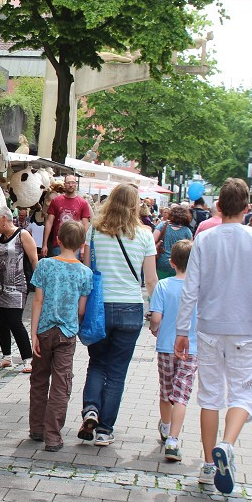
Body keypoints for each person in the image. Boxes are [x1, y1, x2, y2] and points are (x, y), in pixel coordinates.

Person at [176, 178, 252, 494]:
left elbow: (191, 288)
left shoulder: (204, 239)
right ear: (247, 208)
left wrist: (181, 330)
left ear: (219, 206)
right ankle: (227, 446)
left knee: (209, 396)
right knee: (244, 393)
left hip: (209, 327)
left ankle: (207, 465)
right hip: (245, 327)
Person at [79, 183, 157, 446]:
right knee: (117, 371)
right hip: (130, 308)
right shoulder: (145, 235)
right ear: (135, 204)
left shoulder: (94, 232)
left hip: (99, 306)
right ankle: (104, 430)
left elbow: (87, 271)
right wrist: (156, 311)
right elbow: (151, 280)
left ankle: (90, 408)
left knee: (97, 363)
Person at [28, 221, 92, 451]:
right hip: (67, 333)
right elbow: (81, 309)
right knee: (61, 384)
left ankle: (36, 428)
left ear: (58, 240)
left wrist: (33, 333)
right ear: (81, 245)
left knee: (39, 379)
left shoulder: (44, 265)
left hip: (44, 330)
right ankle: (52, 435)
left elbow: (37, 300)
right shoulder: (85, 273)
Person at [148, 239, 198, 462]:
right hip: (192, 348)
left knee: (166, 390)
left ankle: (165, 427)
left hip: (166, 346)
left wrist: (153, 327)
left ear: (171, 262)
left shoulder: (163, 285)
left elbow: (156, 317)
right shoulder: (199, 287)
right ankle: (173, 441)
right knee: (181, 395)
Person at [0, 205, 39, 372]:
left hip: (16, 286)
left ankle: (28, 359)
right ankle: (6, 357)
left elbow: (34, 259)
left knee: (15, 322)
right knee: (1, 322)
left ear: (3, 219)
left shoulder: (22, 234)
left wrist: (38, 285)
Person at [41, 174, 91, 258]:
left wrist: (82, 245)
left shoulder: (83, 203)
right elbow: (49, 222)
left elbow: (85, 226)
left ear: (76, 184)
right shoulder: (55, 201)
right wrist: (44, 244)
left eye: (73, 182)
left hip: (75, 244)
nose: (70, 185)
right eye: (68, 183)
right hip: (58, 243)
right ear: (64, 184)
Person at [152, 205, 192, 280]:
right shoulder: (187, 231)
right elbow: (189, 249)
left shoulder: (163, 225)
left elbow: (152, 240)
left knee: (161, 284)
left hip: (162, 261)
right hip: (178, 263)